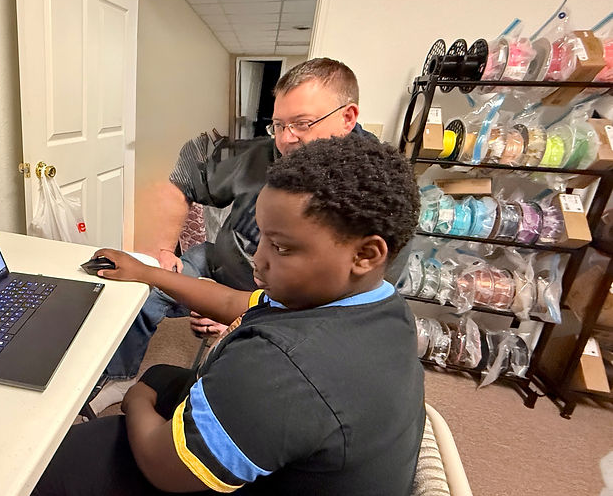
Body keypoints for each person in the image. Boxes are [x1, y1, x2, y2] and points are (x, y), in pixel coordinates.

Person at [32, 136, 425, 495]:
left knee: (68, 458)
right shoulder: (380, 304)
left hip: (173, 468)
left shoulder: (284, 367)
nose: (258, 259)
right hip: (303, 448)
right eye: (263, 238)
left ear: (365, 254)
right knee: (160, 376)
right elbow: (236, 302)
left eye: (282, 248)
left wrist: (135, 401)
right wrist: (147, 272)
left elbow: (163, 468)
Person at [92, 58, 376, 412]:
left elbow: (327, 312)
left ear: (347, 117)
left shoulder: (372, 189)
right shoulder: (263, 153)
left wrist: (238, 316)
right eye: (279, 125)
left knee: (225, 378)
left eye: (302, 124)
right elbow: (183, 180)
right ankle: (119, 375)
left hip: (275, 302)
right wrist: (162, 254)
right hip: (220, 264)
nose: (287, 139)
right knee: (147, 286)